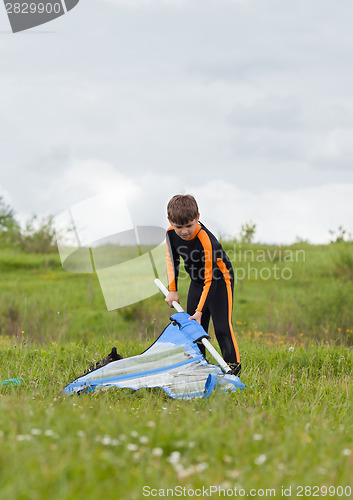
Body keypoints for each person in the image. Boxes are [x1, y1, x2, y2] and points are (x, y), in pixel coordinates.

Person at [165, 194, 241, 375]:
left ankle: (233, 370)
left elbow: (211, 279)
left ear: (197, 217)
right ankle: (200, 369)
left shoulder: (206, 239)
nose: (184, 231)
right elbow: (171, 260)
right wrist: (172, 290)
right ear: (170, 221)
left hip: (220, 280)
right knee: (194, 328)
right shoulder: (170, 234)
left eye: (189, 226)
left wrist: (200, 311)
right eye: (179, 227)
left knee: (222, 327)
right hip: (197, 281)